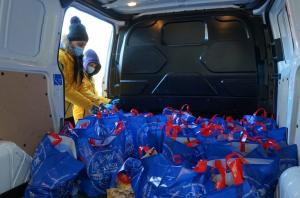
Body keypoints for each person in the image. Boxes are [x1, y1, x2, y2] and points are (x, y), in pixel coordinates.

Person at [58, 16, 99, 125]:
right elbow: (64, 90)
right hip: (56, 112)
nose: (82, 48)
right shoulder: (61, 57)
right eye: (80, 44)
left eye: (84, 45)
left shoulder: (75, 61)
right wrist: (90, 106)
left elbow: (80, 87)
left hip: (68, 113)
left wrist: (100, 103)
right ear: (70, 42)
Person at [72, 49, 111, 123]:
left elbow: (94, 95)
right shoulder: (81, 78)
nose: (93, 68)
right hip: (81, 115)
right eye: (91, 65)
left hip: (90, 114)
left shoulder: (90, 79)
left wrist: (107, 101)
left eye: (94, 66)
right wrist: (107, 102)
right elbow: (88, 95)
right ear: (85, 63)